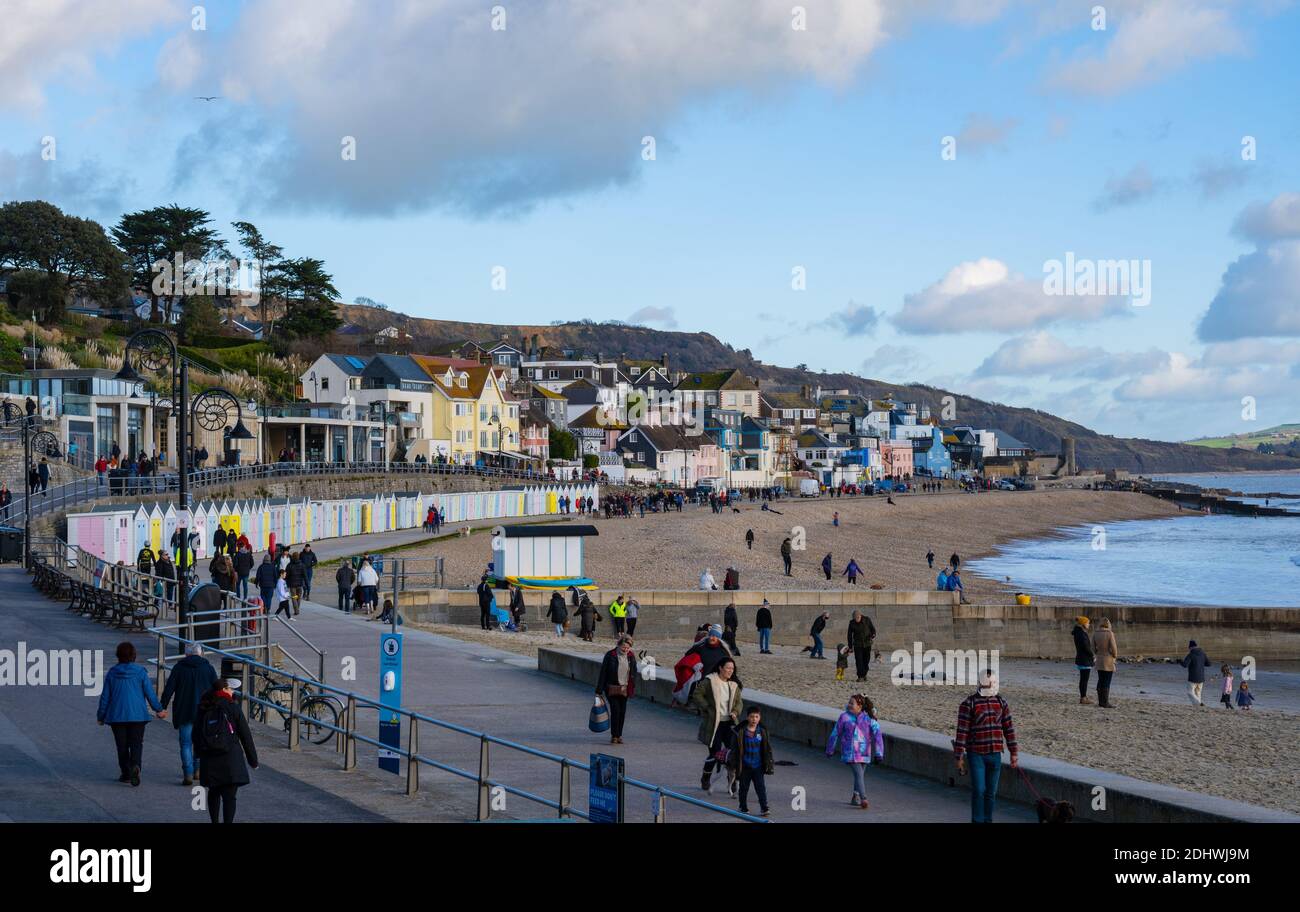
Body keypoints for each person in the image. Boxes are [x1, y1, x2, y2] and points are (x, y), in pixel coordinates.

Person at [96, 642, 167, 786]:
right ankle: (136, 766)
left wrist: (101, 716)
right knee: (136, 743)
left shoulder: (112, 673)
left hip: (117, 716)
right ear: (134, 655)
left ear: (118, 656)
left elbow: (105, 697)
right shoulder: (141, 672)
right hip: (138, 715)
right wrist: (158, 709)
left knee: (121, 746)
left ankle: (126, 773)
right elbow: (149, 693)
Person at [954, 669, 1018, 824]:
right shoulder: (968, 704)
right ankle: (977, 820)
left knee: (991, 792)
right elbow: (962, 731)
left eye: (993, 682)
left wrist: (1013, 752)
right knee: (979, 790)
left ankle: (987, 820)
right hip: (976, 754)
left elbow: (1008, 728)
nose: (991, 685)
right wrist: (959, 756)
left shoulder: (1001, 703)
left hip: (995, 754)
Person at [193, 679, 259, 823]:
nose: (232, 692)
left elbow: (196, 733)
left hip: (209, 757)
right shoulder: (232, 707)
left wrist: (198, 754)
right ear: (223, 690)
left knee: (214, 792)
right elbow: (245, 735)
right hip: (230, 757)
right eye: (230, 689)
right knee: (229, 796)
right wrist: (253, 761)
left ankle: (214, 821)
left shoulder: (204, 706)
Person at [160, 643, 218, 785]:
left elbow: (169, 689)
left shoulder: (179, 668)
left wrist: (162, 707)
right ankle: (198, 770)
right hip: (204, 713)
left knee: (185, 744)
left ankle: (188, 773)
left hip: (184, 711)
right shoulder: (209, 669)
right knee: (199, 743)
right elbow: (217, 690)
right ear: (201, 654)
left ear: (186, 655)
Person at [692, 657, 743, 795]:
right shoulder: (710, 681)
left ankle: (732, 783)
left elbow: (739, 702)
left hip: (730, 724)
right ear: (720, 668)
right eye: (727, 668)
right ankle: (705, 778)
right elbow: (697, 695)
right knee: (714, 753)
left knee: (733, 754)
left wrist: (735, 711)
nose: (730, 671)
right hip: (713, 723)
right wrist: (707, 708)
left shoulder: (733, 685)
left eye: (732, 669)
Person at [827, 694, 884, 810]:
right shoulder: (844, 717)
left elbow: (878, 735)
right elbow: (835, 733)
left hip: (864, 753)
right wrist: (830, 749)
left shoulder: (869, 719)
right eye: (849, 702)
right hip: (850, 752)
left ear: (860, 706)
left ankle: (855, 797)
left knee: (860, 776)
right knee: (859, 774)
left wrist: (879, 753)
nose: (849, 705)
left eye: (852, 703)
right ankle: (864, 798)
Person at [595, 635, 637, 744]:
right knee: (615, 711)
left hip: (625, 688)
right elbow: (603, 672)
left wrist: (633, 685)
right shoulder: (611, 655)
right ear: (618, 645)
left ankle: (619, 735)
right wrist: (599, 690)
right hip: (611, 688)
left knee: (622, 712)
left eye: (628, 648)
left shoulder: (631, 656)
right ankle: (614, 735)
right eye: (624, 647)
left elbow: (634, 672)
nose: (626, 650)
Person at [735, 705, 774, 817]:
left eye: (756, 717)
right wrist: (734, 764)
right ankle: (743, 807)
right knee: (744, 788)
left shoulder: (762, 731)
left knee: (760, 787)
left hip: (758, 766)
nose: (754, 719)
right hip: (745, 765)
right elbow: (735, 750)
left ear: (759, 718)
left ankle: (764, 807)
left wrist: (769, 762)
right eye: (752, 717)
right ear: (747, 717)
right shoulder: (741, 732)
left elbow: (767, 748)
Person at [1092, 617, 1118, 709]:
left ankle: (1100, 702)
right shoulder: (1110, 633)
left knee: (1100, 680)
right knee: (1107, 681)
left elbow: (1093, 648)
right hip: (1108, 659)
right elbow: (1114, 648)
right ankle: (1105, 702)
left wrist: (1098, 653)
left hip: (1099, 659)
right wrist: (1114, 656)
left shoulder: (1095, 633)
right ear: (1108, 624)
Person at [1180, 640, 1212, 706]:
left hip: (1193, 677)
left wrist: (1180, 661)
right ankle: (1198, 707)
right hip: (1201, 677)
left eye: (1189, 648)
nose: (1189, 649)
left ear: (1191, 647)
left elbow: (1185, 665)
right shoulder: (1203, 653)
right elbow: (1209, 664)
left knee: (1190, 692)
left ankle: (1199, 703)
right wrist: (1201, 663)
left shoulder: (1191, 655)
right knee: (1198, 693)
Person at [1072, 616, 1095, 705]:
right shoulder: (1081, 634)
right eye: (1087, 623)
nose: (1089, 624)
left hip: (1081, 658)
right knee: (1084, 679)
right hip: (1084, 659)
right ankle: (1083, 697)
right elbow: (1086, 647)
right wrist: (1092, 655)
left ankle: (1083, 696)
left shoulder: (1078, 632)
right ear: (1083, 624)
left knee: (1083, 679)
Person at [847, 610, 876, 681]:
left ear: (860, 616)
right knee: (859, 660)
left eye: (857, 618)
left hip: (867, 644)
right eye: (855, 618)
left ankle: (864, 674)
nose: (856, 619)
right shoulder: (852, 623)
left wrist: (873, 635)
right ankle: (860, 676)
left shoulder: (867, 620)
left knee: (866, 660)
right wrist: (850, 647)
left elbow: (873, 629)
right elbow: (849, 635)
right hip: (857, 644)